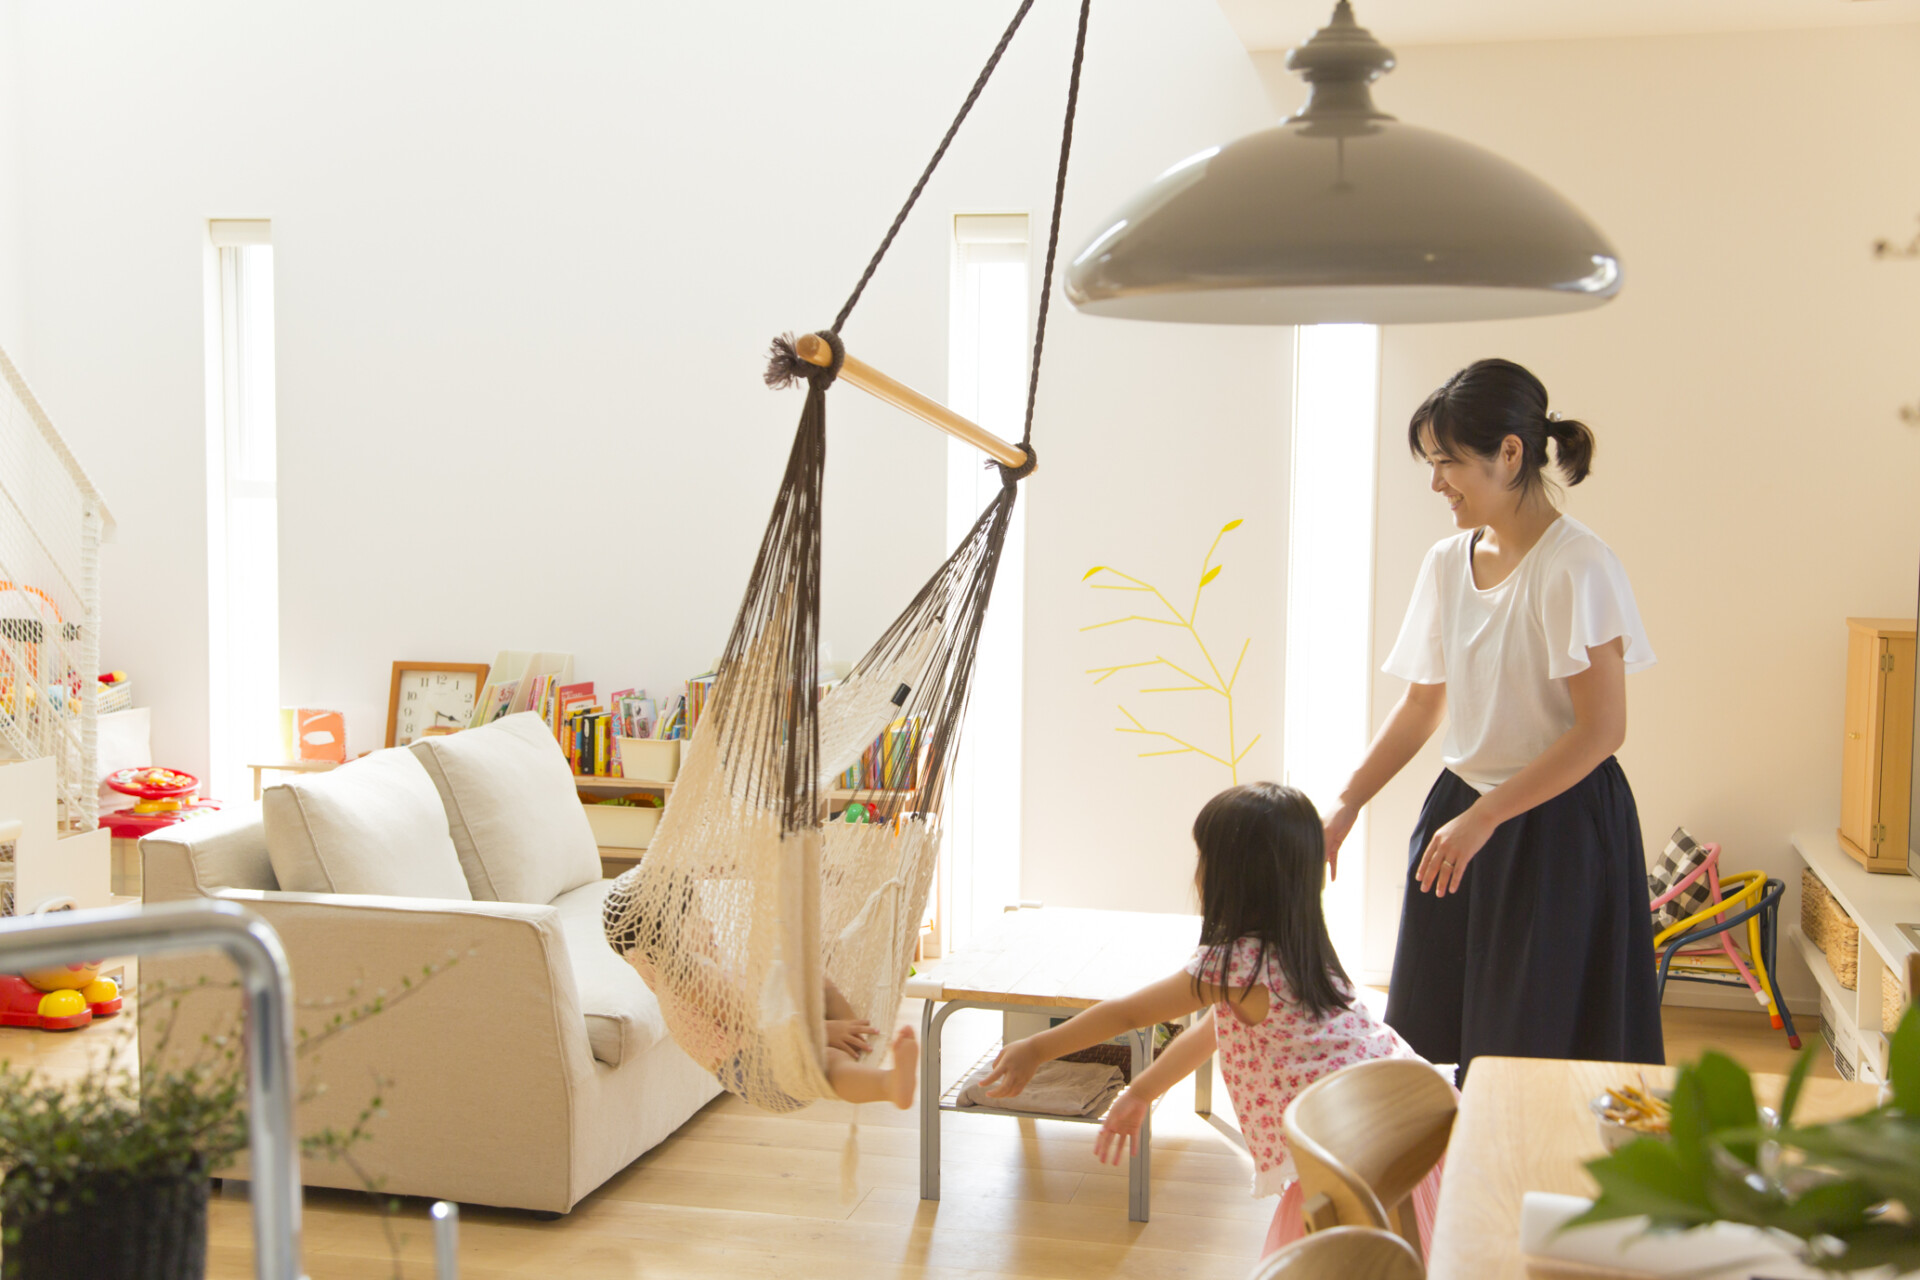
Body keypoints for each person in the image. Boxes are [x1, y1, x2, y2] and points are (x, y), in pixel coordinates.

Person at [1323, 357, 1662, 1078]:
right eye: (1431, 464)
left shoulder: (1577, 565)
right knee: (1452, 1040)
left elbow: (1602, 731)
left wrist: (1486, 816)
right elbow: (1423, 703)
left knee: (1533, 1052)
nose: (1436, 483)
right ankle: (1468, 1152)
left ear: (1510, 453)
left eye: (1447, 462)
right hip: (1463, 810)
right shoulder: (1447, 562)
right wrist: (1347, 804)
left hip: (1558, 824)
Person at [980, 783, 1444, 1258]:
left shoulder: (1236, 965)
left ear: (1232, 877)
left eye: (1204, 858)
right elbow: (1212, 1033)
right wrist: (1141, 1092)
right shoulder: (1300, 947)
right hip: (1402, 1109)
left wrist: (1037, 1048)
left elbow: (1128, 1013)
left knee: (1355, 1262)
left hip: (1355, 1143)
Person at [609, 871, 918, 1111]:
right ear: (665, 936)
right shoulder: (686, 976)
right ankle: (887, 1085)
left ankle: (861, 1038)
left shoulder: (692, 964)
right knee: (825, 1063)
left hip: (771, 1041)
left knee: (817, 982)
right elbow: (753, 1018)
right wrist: (820, 1031)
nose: (709, 922)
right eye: (695, 919)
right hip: (754, 1066)